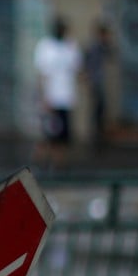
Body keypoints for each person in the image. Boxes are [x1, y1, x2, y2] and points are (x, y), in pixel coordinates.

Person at [33, 16, 82, 169]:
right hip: (51, 98)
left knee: (63, 135)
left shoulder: (71, 46)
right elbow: (42, 74)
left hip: (66, 97)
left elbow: (77, 70)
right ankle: (39, 164)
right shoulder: (45, 46)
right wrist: (43, 97)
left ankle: (58, 164)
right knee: (47, 134)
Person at [83, 20, 114, 148]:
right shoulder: (95, 47)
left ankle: (98, 137)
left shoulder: (99, 47)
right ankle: (96, 138)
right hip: (95, 82)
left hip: (96, 81)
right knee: (98, 110)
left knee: (99, 110)